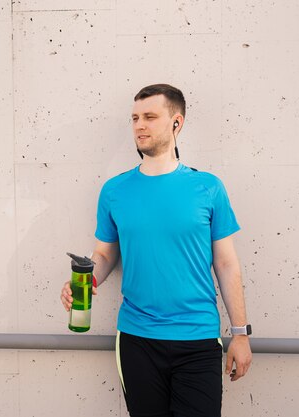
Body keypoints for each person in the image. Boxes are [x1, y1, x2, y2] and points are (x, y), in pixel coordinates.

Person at [60, 84, 252, 417]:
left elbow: (226, 263)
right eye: (134, 118)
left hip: (198, 338)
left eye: (150, 116)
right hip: (137, 339)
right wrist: (86, 280)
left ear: (176, 123)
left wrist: (240, 334)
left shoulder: (207, 187)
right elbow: (105, 255)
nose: (139, 125)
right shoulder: (115, 190)